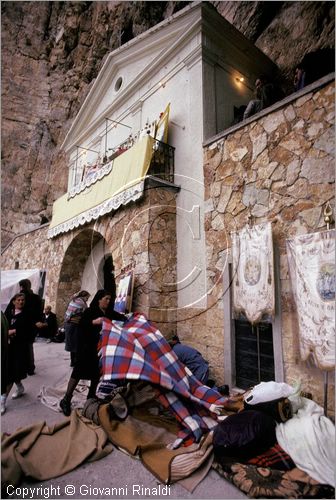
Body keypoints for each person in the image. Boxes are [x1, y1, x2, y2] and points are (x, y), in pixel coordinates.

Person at [59, 289, 127, 416]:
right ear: (99, 299)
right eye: (106, 298)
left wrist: (129, 318)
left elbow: (119, 317)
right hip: (85, 347)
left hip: (98, 349)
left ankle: (90, 398)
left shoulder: (108, 312)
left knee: (96, 373)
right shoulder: (90, 311)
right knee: (78, 372)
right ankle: (66, 399)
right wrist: (93, 322)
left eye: (109, 299)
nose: (108, 301)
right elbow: (82, 325)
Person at [2, 293, 33, 414]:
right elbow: (3, 325)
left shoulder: (27, 314)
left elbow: (30, 331)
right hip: (8, 346)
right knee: (12, 371)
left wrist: (15, 331)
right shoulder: (8, 312)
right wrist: (6, 332)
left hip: (20, 348)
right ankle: (20, 387)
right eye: (18, 300)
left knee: (10, 372)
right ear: (13, 301)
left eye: (23, 300)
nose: (21, 302)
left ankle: (2, 400)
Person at [18, 279, 43, 375]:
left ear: (21, 287)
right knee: (29, 347)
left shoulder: (20, 297)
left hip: (23, 324)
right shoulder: (36, 297)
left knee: (22, 347)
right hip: (33, 325)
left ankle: (25, 367)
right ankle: (30, 368)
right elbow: (39, 312)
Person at [64, 290, 90, 367]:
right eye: (87, 298)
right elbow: (85, 313)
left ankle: (73, 362)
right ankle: (75, 362)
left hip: (69, 324)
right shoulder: (80, 303)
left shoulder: (74, 300)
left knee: (73, 344)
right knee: (76, 344)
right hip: (74, 325)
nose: (87, 299)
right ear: (83, 296)